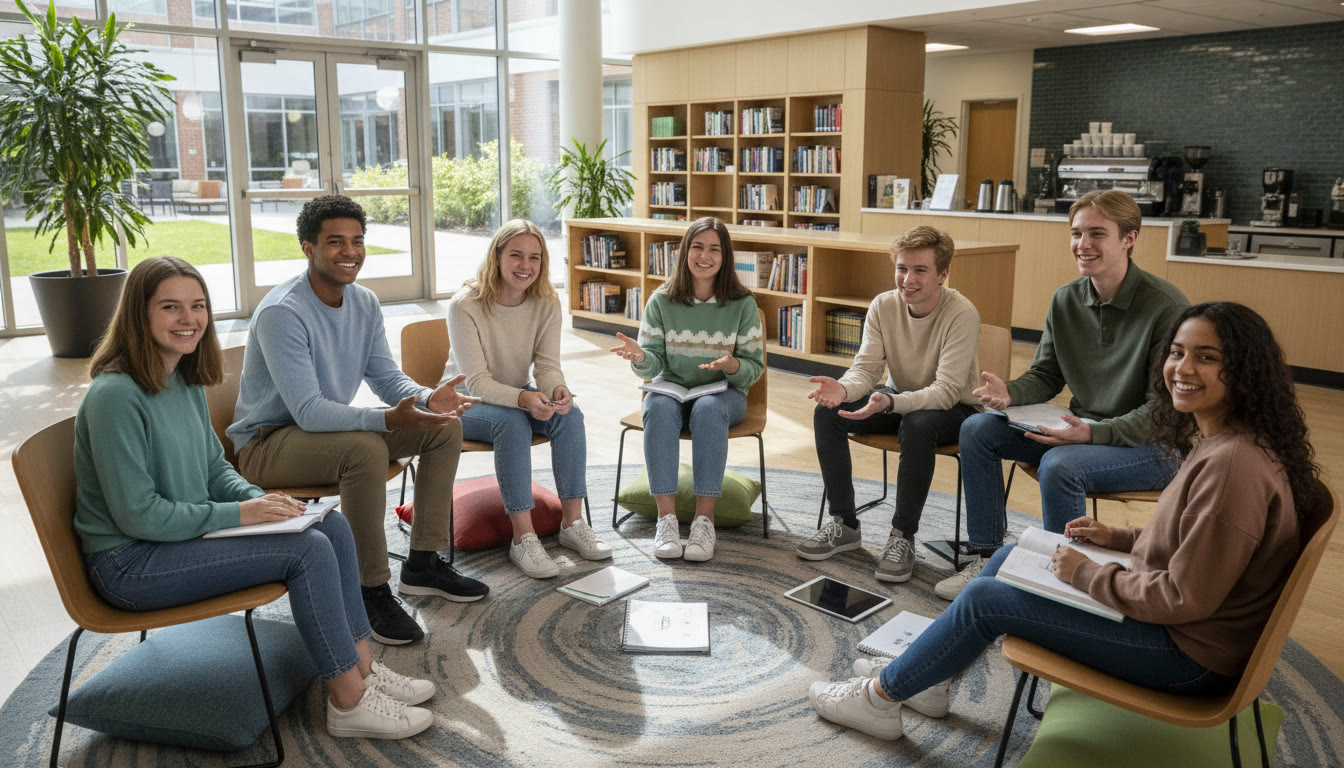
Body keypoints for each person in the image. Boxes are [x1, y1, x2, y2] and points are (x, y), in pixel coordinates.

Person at [809, 301, 1326, 741]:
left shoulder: (1233, 466)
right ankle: (929, 677)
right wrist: (1118, 536)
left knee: (988, 599)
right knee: (1013, 555)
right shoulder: (1227, 441)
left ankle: (877, 701)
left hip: (1186, 658)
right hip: (1183, 631)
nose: (1182, 368)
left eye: (1206, 358)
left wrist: (1087, 573)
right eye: (1177, 352)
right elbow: (1196, 541)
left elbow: (1182, 598)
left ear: (1244, 373)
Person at [75, 257, 440, 739]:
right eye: (170, 307)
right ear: (138, 315)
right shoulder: (115, 397)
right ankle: (348, 703)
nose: (189, 319)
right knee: (305, 552)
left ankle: (364, 670)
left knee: (327, 524)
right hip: (130, 563)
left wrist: (269, 504)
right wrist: (242, 513)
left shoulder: (182, 380)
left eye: (198, 306)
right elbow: (138, 515)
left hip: (174, 539)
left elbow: (213, 468)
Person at [227, 195, 487, 647]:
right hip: (267, 445)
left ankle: (424, 562)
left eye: (357, 241)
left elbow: (385, 376)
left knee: (445, 427)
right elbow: (307, 410)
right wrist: (386, 420)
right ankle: (368, 589)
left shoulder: (363, 302)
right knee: (363, 449)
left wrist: (428, 397)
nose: (350, 252)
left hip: (323, 435)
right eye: (335, 242)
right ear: (308, 248)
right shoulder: (282, 313)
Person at [935, 189, 1189, 600]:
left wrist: (1091, 434)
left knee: (1059, 465)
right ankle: (986, 555)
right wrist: (1009, 393)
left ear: (1129, 239)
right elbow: (1047, 375)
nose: (1083, 244)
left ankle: (1064, 583)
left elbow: (1166, 411)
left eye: (1097, 234)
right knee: (977, 428)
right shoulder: (1067, 299)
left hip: (1155, 446)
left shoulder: (1167, 307)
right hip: (1083, 430)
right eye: (1076, 233)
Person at [801, 226, 981, 584]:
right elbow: (866, 370)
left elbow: (945, 391)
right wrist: (844, 389)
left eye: (920, 270)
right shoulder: (883, 305)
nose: (907, 279)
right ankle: (845, 524)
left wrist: (892, 402)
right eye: (902, 268)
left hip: (953, 410)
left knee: (918, 425)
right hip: (898, 398)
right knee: (827, 413)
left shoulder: (962, 313)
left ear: (943, 274)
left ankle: (902, 536)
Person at [442, 219, 610, 579]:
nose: (525, 266)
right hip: (463, 403)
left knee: (570, 415)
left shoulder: (546, 301)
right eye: (516, 255)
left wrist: (557, 391)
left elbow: (547, 367)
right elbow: (477, 382)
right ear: (497, 257)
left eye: (534, 258)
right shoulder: (465, 304)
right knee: (512, 423)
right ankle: (523, 537)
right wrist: (524, 398)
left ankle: (572, 523)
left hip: (517, 396)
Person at [609, 216, 764, 562]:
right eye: (697, 247)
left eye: (714, 249)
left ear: (725, 257)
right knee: (656, 405)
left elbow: (753, 371)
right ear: (684, 252)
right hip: (674, 391)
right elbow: (652, 364)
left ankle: (703, 522)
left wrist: (732, 366)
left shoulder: (743, 303)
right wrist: (638, 357)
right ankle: (666, 520)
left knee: (708, 408)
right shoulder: (661, 300)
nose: (704, 256)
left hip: (726, 394)